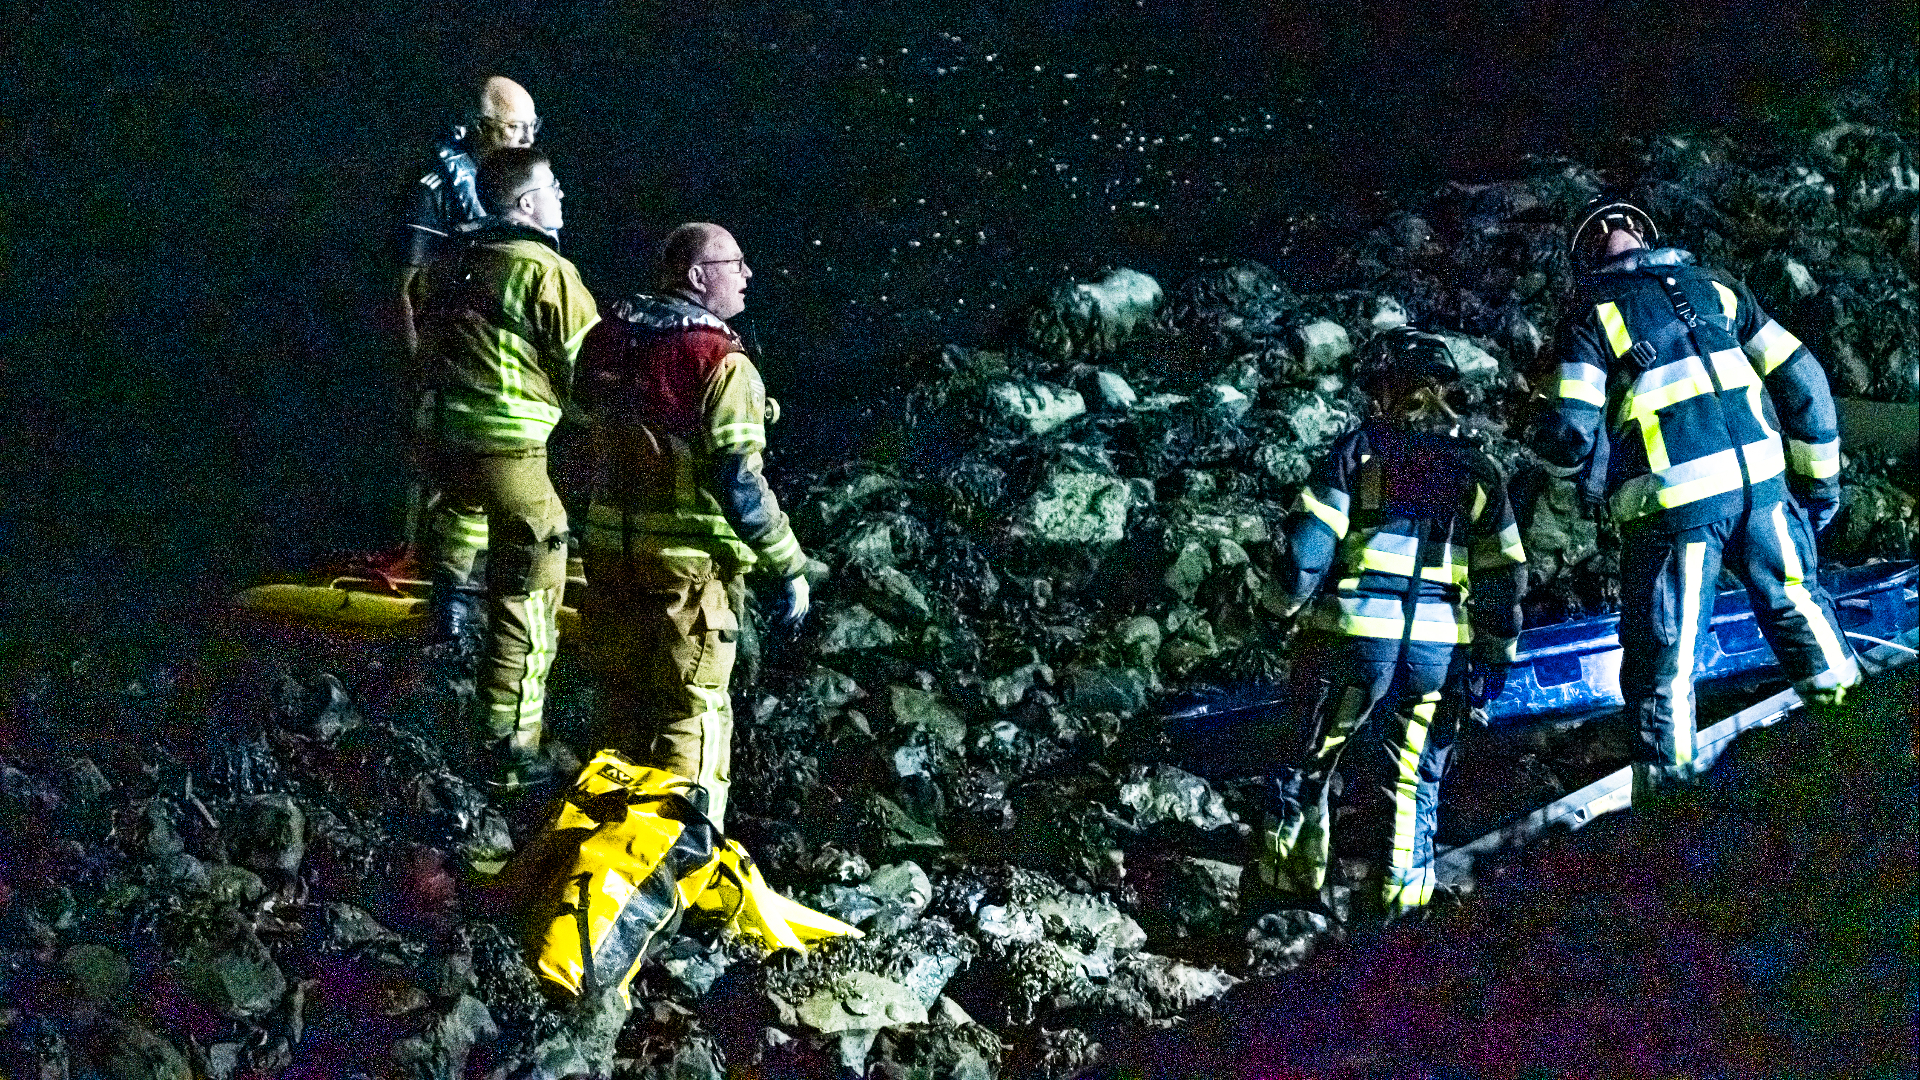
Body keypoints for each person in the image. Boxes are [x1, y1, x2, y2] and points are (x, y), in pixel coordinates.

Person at [1539, 198, 1858, 799]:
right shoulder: (1719, 286)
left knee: (1669, 661)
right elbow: (1806, 380)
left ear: (1587, 255)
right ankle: (1862, 761)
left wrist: (1556, 454)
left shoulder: (1591, 312)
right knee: (1802, 615)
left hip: (1676, 508)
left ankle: (1672, 817)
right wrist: (1818, 490)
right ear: (1646, 235)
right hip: (1766, 492)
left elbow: (1573, 431)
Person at [1247, 328, 1528, 923]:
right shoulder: (1480, 469)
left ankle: (1283, 896)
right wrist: (1497, 653)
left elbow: (1303, 556)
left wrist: (1277, 611)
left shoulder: (1358, 452)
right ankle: (1402, 915)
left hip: (1350, 639)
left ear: (1383, 391)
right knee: (1414, 780)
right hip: (1438, 648)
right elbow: (1504, 577)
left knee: (1307, 760)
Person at [574, 223, 809, 828]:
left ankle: (601, 847)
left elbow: (568, 445)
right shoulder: (719, 361)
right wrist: (789, 566)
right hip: (686, 574)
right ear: (698, 277)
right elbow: (739, 482)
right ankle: (682, 864)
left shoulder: (605, 342)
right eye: (735, 262)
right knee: (692, 714)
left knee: (619, 710)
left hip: (607, 563)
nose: (748, 274)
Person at [416, 147, 599, 786]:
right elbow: (594, 375)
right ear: (525, 204)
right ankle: (509, 757)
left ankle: (449, 618)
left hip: (444, 450)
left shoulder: (445, 265)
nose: (561, 198)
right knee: (529, 605)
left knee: (460, 530)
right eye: (552, 187)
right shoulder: (546, 273)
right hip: (515, 460)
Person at [396, 76, 541, 640]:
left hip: (507, 359)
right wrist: (416, 366)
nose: (526, 138)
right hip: (450, 350)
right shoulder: (438, 186)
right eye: (514, 128)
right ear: (483, 129)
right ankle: (428, 578)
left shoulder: (528, 184)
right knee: (440, 467)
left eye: (532, 126)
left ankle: (478, 579)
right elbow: (406, 283)